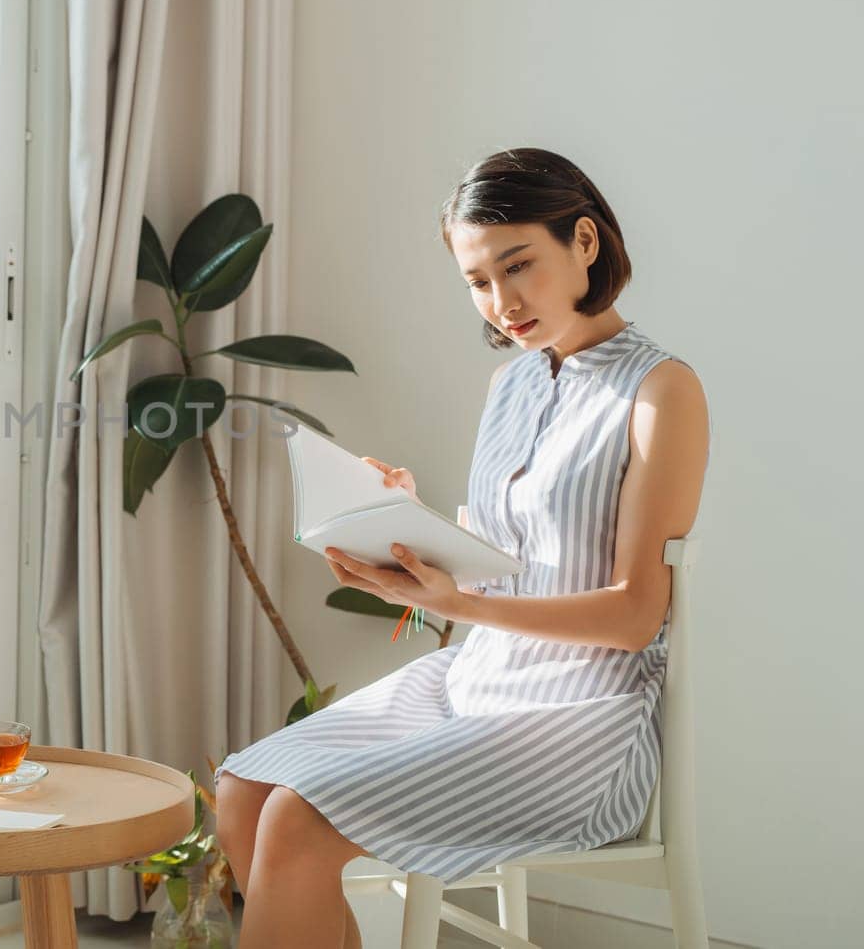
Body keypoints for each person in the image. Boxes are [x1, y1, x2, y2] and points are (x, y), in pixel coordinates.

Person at [214, 147, 711, 948]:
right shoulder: (509, 385)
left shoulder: (659, 391)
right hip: (474, 684)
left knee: (300, 819)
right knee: (243, 787)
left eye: (519, 266)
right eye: (478, 282)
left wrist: (455, 602)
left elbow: (634, 616)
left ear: (585, 242)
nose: (502, 302)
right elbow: (494, 561)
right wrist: (398, 523)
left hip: (581, 728)